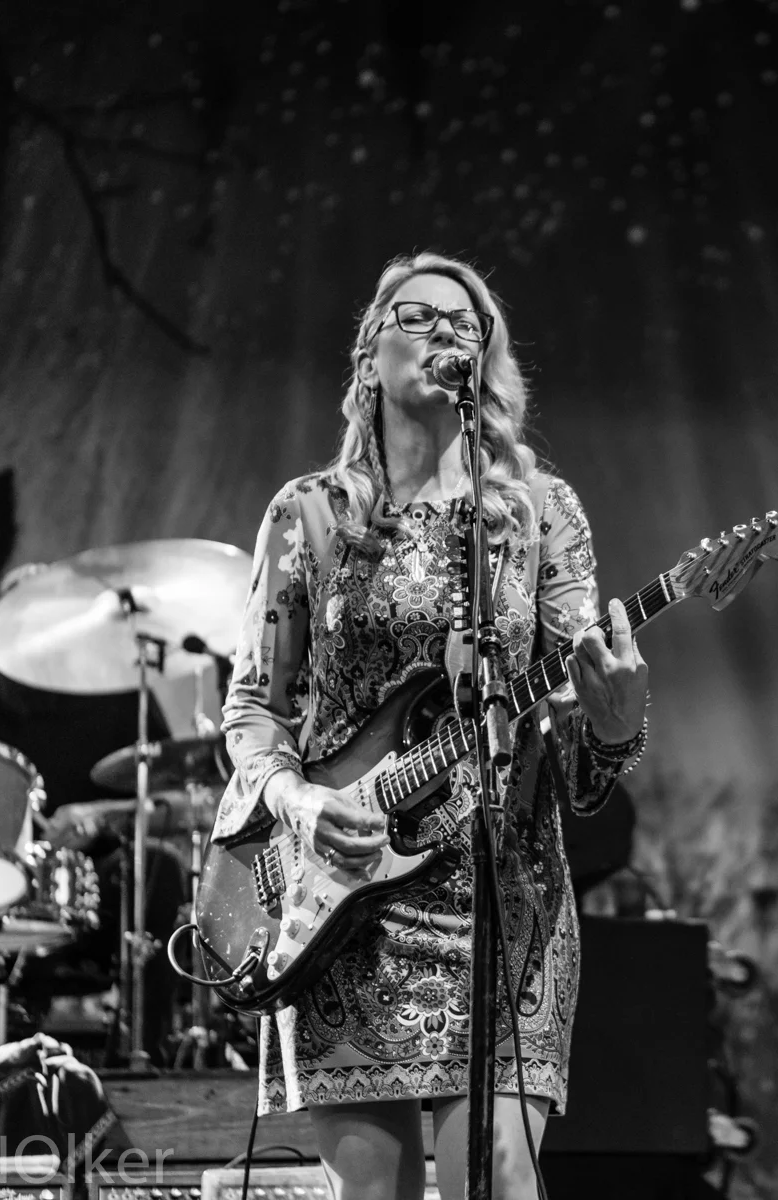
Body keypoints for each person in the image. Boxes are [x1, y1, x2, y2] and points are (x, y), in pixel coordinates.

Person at [211, 251, 650, 1200]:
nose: (448, 330)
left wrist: (614, 722)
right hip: (344, 898)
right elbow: (253, 707)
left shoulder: (539, 514)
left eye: (467, 324)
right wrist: (297, 803)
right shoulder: (308, 516)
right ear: (369, 355)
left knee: (501, 1182)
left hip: (505, 892)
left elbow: (575, 731)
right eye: (420, 316)